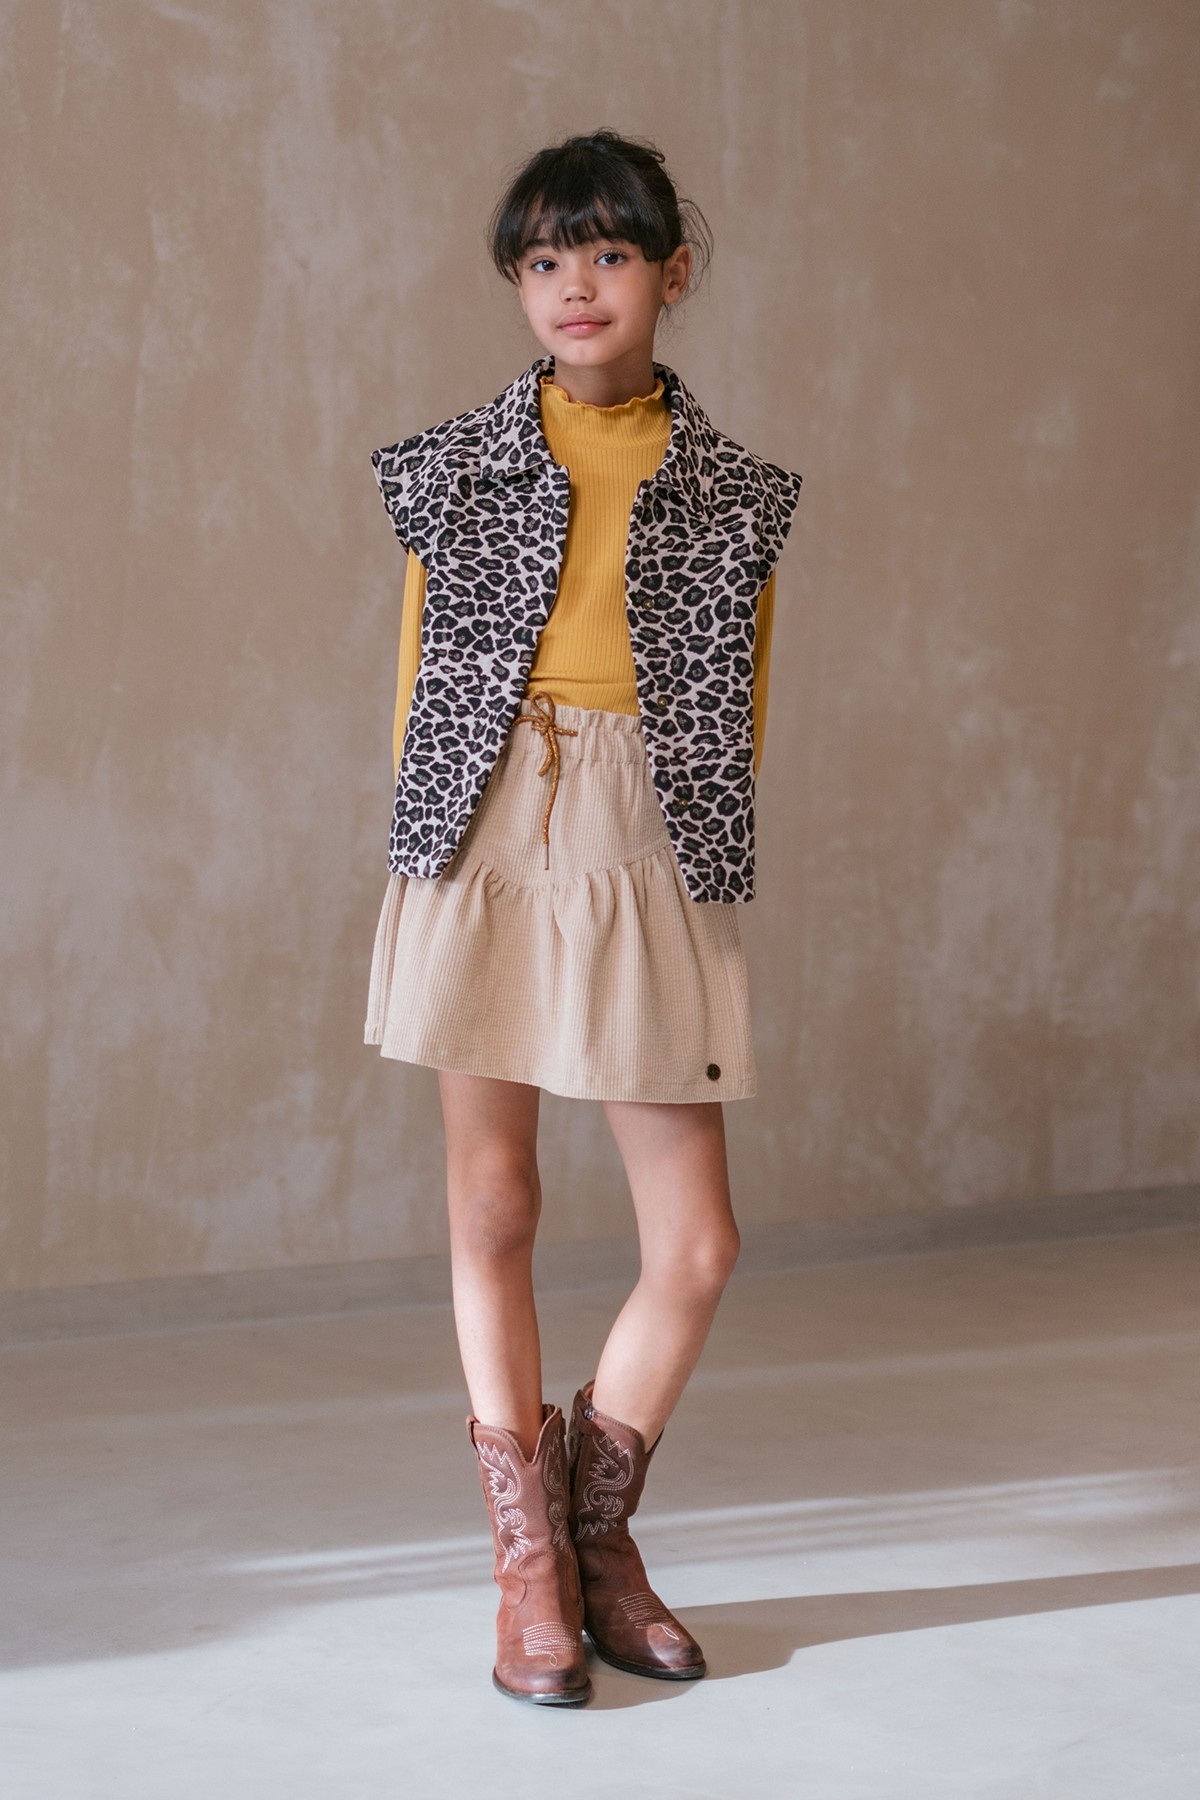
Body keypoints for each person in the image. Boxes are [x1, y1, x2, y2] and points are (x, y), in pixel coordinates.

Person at [365, 128, 802, 1707]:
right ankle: (532, 1570)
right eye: (544, 260)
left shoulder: (738, 496)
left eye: (608, 254)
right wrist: (429, 857)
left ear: (672, 273)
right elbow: (418, 689)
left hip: (648, 835)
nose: (574, 286)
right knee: (494, 1207)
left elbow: (739, 713)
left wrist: (692, 865)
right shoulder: (450, 469)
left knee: (698, 1242)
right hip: (480, 824)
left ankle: (596, 1529)